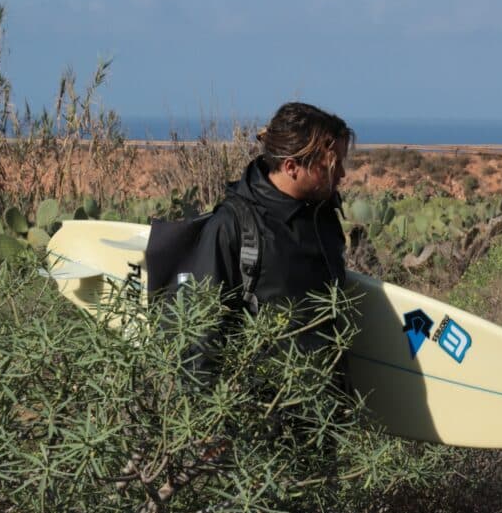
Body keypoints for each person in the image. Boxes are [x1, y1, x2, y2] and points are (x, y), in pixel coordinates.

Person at [148, 102, 354, 370]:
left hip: (327, 403)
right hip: (266, 405)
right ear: (292, 167)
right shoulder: (233, 226)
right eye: (331, 166)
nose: (341, 174)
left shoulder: (323, 215)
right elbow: (201, 341)